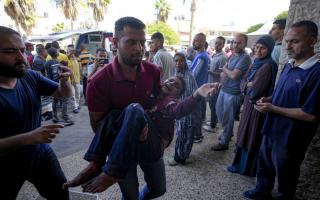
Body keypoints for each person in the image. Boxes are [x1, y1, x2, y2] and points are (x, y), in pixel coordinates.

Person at [63, 76, 218, 193]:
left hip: (152, 147)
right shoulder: (149, 93)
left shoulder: (169, 101)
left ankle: (111, 171)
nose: (171, 83)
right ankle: (96, 163)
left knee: (158, 190)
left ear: (177, 95)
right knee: (114, 113)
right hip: (129, 148)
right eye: (170, 80)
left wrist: (197, 94)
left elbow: (178, 110)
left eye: (176, 85)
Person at [83, 16, 163, 199]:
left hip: (148, 142)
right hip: (119, 150)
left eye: (143, 42)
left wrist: (162, 137)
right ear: (115, 42)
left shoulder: (153, 72)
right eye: (132, 42)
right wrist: (128, 131)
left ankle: (104, 169)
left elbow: (160, 105)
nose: (139, 48)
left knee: (159, 189)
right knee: (130, 195)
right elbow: (98, 126)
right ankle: (108, 170)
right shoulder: (98, 82)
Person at [243, 20, 320, 200]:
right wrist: (269, 100)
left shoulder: (316, 73)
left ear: (312, 41)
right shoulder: (289, 65)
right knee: (265, 164)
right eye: (287, 41)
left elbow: (311, 115)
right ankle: (262, 191)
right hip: (271, 128)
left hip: (291, 138)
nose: (288, 46)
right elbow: (282, 95)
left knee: (286, 175)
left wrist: (273, 108)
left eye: (295, 41)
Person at [0, 26, 72, 199]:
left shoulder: (29, 76)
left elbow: (62, 95)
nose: (21, 57)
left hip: (39, 152)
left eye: (23, 50)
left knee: (60, 192)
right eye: (10, 51)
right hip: (5, 165)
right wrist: (29, 137)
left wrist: (65, 81)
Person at [227, 35, 278, 177]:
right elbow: (243, 81)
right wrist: (247, 85)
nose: (258, 50)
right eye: (257, 47)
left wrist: (247, 85)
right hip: (249, 105)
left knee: (251, 136)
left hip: (257, 108)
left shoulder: (268, 65)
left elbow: (255, 90)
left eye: (263, 48)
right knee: (244, 134)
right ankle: (240, 165)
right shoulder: (256, 62)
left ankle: (247, 168)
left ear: (270, 49)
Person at [212, 33, 251, 151]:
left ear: (245, 44)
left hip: (233, 93)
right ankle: (227, 132)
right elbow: (225, 73)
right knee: (219, 113)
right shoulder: (233, 55)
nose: (236, 45)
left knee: (228, 118)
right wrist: (220, 82)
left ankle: (224, 142)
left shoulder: (245, 57)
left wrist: (224, 69)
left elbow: (233, 75)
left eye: (239, 43)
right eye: (234, 42)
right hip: (224, 89)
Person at [168, 52, 201, 166]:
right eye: (176, 60)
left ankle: (180, 158)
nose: (178, 63)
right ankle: (181, 156)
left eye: (181, 60)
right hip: (180, 109)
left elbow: (193, 95)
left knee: (186, 135)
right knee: (182, 134)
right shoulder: (176, 74)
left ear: (185, 62)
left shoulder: (189, 76)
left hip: (188, 111)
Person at [203, 36, 228, 133]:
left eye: (220, 44)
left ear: (223, 45)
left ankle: (213, 126)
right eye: (216, 43)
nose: (217, 45)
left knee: (213, 105)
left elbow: (223, 74)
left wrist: (209, 71)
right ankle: (213, 121)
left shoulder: (222, 57)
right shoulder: (215, 55)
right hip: (212, 84)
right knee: (212, 104)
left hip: (217, 86)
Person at [190, 33, 210, 143]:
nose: (194, 42)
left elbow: (194, 74)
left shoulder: (202, 56)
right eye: (194, 40)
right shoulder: (200, 55)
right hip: (199, 89)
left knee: (196, 114)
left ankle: (197, 135)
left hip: (197, 89)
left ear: (202, 42)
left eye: (196, 40)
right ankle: (197, 134)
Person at [45, 48, 74, 125]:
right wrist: (66, 73)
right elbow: (59, 74)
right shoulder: (57, 63)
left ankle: (55, 117)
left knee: (55, 100)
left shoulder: (47, 63)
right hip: (59, 84)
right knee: (64, 100)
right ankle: (65, 117)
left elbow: (45, 74)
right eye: (57, 52)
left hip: (50, 83)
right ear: (56, 54)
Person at [67, 45, 82, 114]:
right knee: (72, 95)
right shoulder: (67, 58)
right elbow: (69, 56)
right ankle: (74, 107)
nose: (71, 51)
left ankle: (77, 105)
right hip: (70, 80)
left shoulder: (76, 58)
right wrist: (71, 53)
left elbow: (79, 68)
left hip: (77, 79)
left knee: (78, 93)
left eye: (72, 50)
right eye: (69, 50)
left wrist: (81, 75)